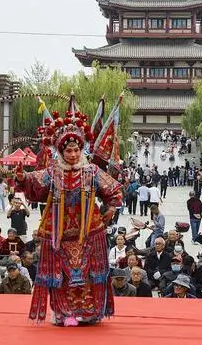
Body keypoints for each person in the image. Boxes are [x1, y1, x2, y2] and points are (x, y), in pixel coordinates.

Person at [15, 100, 123, 326]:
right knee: (62, 277)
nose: (73, 154)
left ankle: (90, 312)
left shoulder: (92, 170)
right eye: (68, 150)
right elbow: (35, 187)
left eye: (76, 150)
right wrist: (23, 178)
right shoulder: (52, 172)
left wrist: (111, 208)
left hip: (89, 231)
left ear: (81, 150)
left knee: (88, 276)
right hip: (58, 233)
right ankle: (64, 312)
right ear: (61, 151)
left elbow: (113, 189)